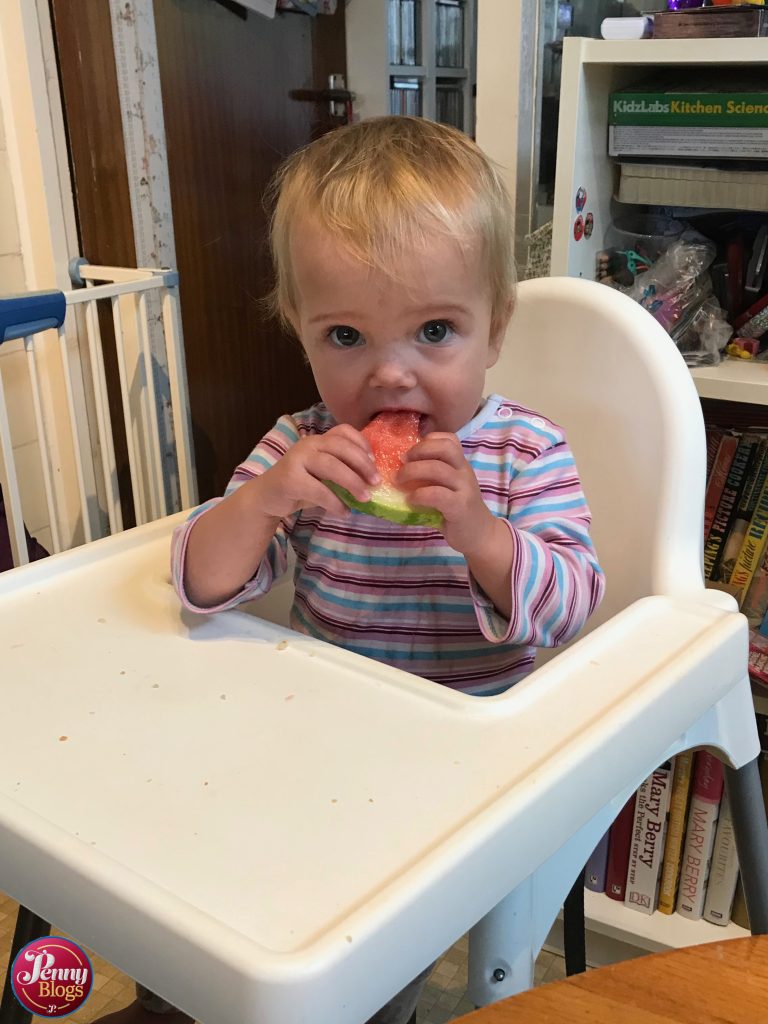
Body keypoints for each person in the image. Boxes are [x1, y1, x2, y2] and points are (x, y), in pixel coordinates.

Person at [97, 115, 604, 1024]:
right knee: (203, 879)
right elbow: (199, 584)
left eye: (434, 331)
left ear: (496, 329)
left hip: (462, 762)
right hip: (314, 742)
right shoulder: (300, 446)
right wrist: (260, 504)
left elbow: (571, 605)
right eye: (346, 338)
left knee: (358, 958)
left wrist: (484, 535)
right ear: (298, 330)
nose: (391, 377)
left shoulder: (526, 451)